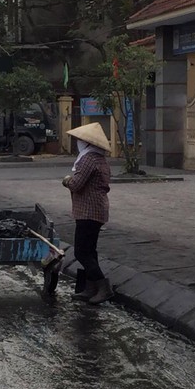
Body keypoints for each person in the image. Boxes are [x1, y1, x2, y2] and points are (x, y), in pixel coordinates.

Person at [61, 122, 113, 305]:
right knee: (90, 250)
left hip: (88, 211)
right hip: (95, 209)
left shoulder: (88, 159)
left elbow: (76, 184)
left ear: (87, 143)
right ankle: (90, 288)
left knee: (82, 252)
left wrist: (67, 180)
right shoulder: (99, 159)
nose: (78, 144)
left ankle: (103, 287)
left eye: (80, 141)